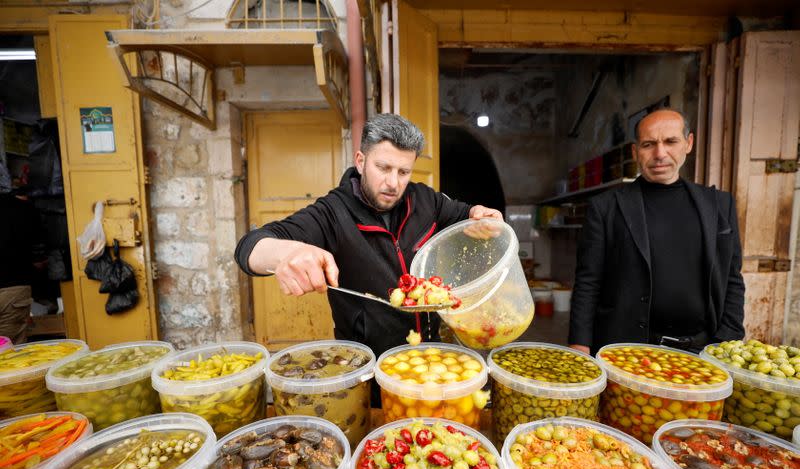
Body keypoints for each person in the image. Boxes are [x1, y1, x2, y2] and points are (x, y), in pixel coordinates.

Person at [235, 114, 502, 358]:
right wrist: (287, 253)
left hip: (429, 354)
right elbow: (249, 248)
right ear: (361, 161)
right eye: (383, 168)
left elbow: (465, 215)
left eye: (403, 172)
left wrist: (482, 216)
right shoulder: (332, 212)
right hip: (366, 362)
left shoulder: (426, 200)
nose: (393, 183)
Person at [568, 108, 745, 355]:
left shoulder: (719, 204)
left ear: (688, 143)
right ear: (635, 151)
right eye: (649, 144)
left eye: (671, 141)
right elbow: (588, 281)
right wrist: (580, 344)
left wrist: (728, 339)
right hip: (624, 350)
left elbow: (732, 279)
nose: (660, 154)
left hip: (701, 350)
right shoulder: (605, 207)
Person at [0, 190, 45, 344]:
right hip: (15, 290)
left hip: (14, 287)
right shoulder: (24, 209)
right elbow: (40, 258)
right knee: (11, 352)